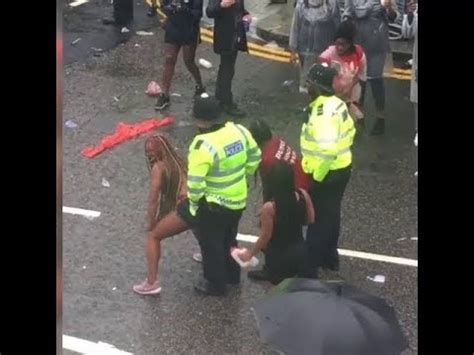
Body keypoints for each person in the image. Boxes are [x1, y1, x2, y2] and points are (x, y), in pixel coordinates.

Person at [133, 94, 261, 296]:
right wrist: (244, 176)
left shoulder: (203, 145)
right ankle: (232, 277)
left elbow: (196, 183)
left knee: (211, 244)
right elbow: (255, 156)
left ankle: (214, 285)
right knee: (229, 239)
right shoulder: (240, 130)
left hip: (212, 204)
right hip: (237, 199)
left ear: (200, 120)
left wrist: (193, 208)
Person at [300, 63, 355, 272]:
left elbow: (327, 150)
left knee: (318, 220)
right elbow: (350, 133)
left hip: (327, 173)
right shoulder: (337, 104)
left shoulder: (322, 114)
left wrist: (318, 177)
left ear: (316, 86)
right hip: (342, 168)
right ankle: (330, 257)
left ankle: (309, 267)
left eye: (309, 83)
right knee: (331, 215)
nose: (306, 87)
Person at [239, 161, 316, 284]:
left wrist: (250, 254)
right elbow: (310, 219)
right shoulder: (303, 194)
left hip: (279, 258)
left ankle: (269, 273)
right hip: (300, 252)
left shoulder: (270, 208)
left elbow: (265, 237)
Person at [343, 0, 399, 135]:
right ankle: (358, 114)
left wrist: (389, 7)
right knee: (359, 80)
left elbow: (394, 17)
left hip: (377, 44)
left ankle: (380, 116)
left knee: (375, 80)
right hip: (358, 43)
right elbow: (346, 14)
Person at [144, 135, 202, 262]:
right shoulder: (177, 161)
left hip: (187, 205)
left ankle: (151, 280)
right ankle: (209, 252)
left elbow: (154, 199)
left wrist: (152, 221)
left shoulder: (158, 168)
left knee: (153, 236)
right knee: (200, 229)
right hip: (201, 200)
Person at [154, 0, 206, 110]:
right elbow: (163, 6)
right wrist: (170, 8)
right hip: (173, 27)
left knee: (188, 61)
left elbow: (197, 14)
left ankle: (200, 85)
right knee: (169, 59)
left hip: (189, 29)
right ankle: (164, 94)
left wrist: (184, 9)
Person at [206, 0, 252, 117]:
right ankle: (226, 102)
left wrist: (246, 15)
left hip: (235, 36)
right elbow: (210, 11)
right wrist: (221, 5)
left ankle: (220, 97)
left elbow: (239, 9)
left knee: (227, 68)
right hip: (225, 37)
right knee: (227, 69)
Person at [248, 119, 311, 202]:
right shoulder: (277, 141)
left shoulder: (266, 159)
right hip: (305, 182)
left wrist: (267, 206)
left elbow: (268, 188)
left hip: (296, 192)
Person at [319, 20, 367, 128]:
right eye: (337, 43)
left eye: (343, 44)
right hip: (332, 98)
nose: (340, 47)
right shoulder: (327, 56)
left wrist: (350, 92)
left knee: (354, 123)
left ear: (350, 44)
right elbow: (321, 81)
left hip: (352, 96)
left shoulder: (359, 54)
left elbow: (361, 75)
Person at [289, 0, 341, 93]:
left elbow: (338, 26)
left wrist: (339, 48)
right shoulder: (301, 4)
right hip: (305, 52)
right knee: (308, 82)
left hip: (326, 53)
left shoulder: (332, 4)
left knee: (325, 82)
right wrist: (293, 50)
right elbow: (295, 26)